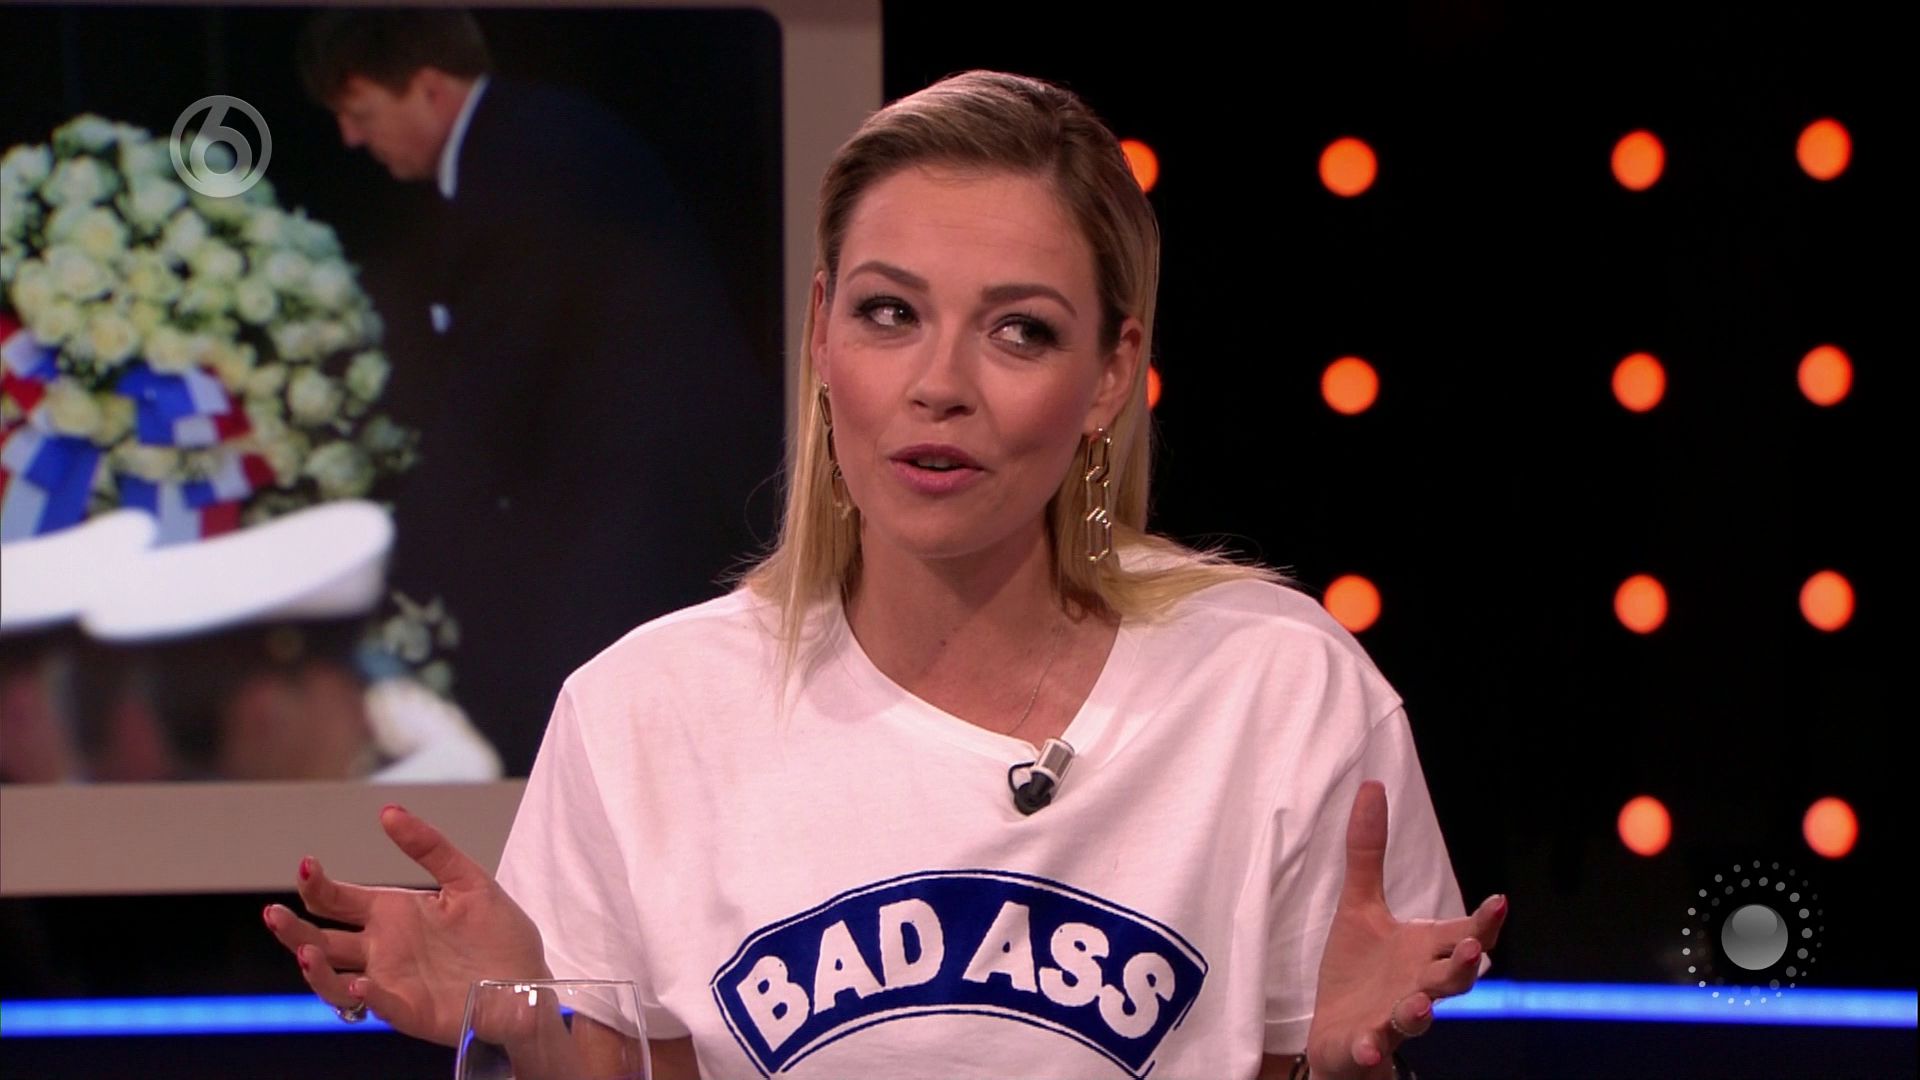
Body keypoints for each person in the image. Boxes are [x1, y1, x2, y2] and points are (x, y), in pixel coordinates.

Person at [264, 71, 1506, 1079]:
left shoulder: (1278, 692)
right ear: (820, 333)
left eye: (1020, 330)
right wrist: (533, 1026)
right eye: (890, 313)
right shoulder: (643, 713)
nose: (939, 384)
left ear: (1111, 375)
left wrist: (1343, 1071)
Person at [294, 10, 780, 771]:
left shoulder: (524, 166)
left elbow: (498, 392)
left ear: (428, 89)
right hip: (636, 503)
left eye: (361, 112)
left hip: (642, 519)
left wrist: (392, 557)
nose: (352, 139)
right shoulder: (523, 145)